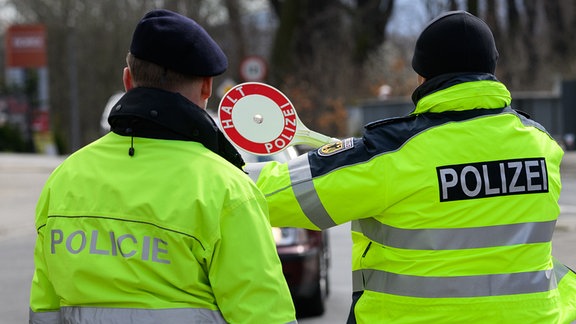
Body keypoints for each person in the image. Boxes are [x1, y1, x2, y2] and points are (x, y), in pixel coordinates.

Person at [244, 11, 576, 323]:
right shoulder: (542, 145)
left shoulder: (395, 152)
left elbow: (273, 197)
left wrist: (220, 169)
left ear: (422, 75)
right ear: (491, 70)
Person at [29, 9, 297, 324]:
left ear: (128, 80)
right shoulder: (227, 190)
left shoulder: (64, 179)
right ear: (207, 88)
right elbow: (265, 316)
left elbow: (44, 312)